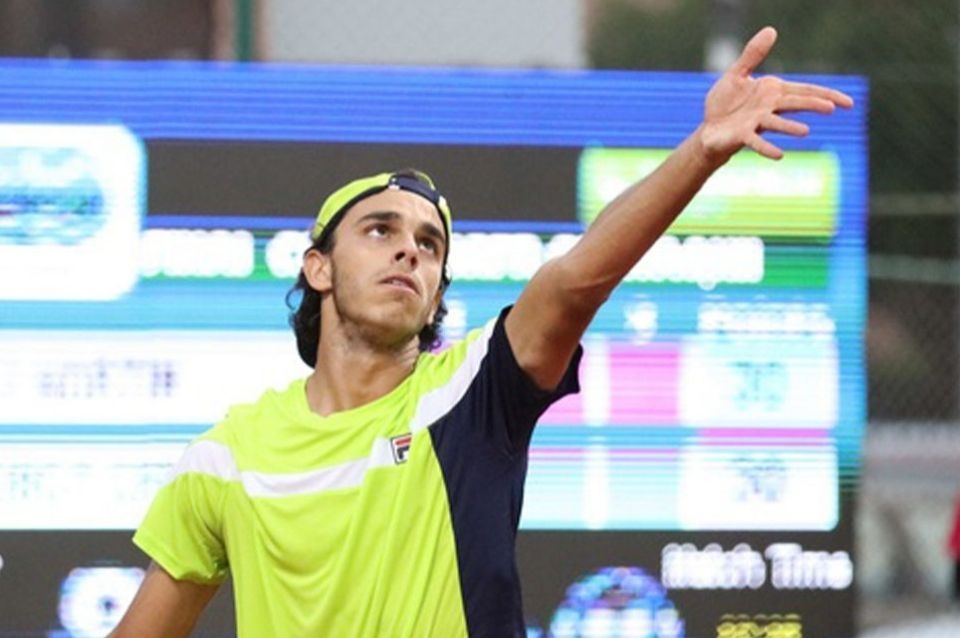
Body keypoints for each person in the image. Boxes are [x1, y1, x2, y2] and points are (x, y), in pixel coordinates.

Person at [109, 26, 853, 638]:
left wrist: (702, 151)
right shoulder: (227, 457)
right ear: (319, 267)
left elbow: (573, 282)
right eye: (379, 230)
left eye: (429, 245)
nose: (410, 251)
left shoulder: (471, 394)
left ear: (437, 290)